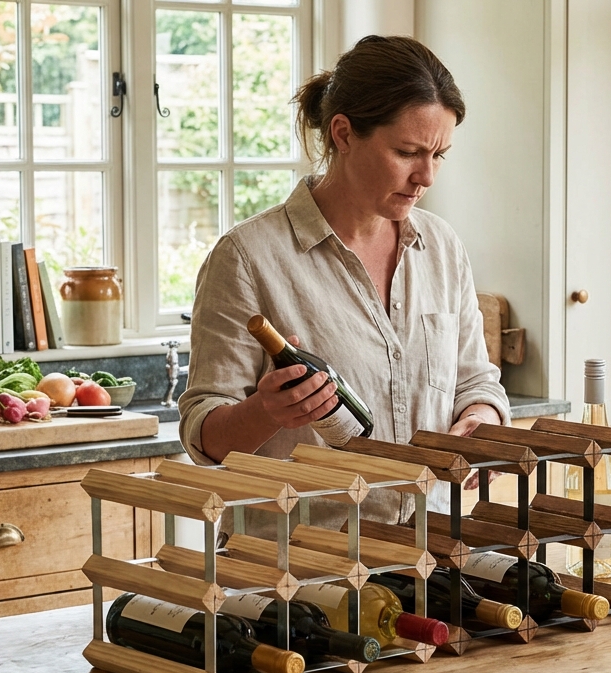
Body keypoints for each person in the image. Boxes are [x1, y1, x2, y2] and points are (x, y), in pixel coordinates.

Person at [178, 35, 510, 533]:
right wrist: (266, 411)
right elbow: (204, 434)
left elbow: (474, 380)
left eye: (440, 155)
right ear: (343, 134)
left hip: (433, 554)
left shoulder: (441, 247)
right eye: (407, 152)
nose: (426, 177)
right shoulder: (248, 258)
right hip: (300, 576)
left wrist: (481, 421)